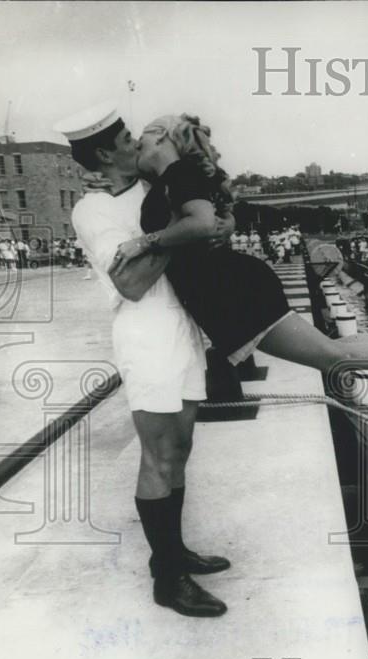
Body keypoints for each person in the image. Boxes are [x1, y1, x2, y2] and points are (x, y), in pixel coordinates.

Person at [110, 113, 368, 385]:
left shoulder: (179, 176)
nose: (137, 144)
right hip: (230, 287)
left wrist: (145, 241)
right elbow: (210, 216)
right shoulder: (177, 177)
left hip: (229, 293)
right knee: (334, 350)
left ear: (160, 137)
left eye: (141, 137)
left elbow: (201, 223)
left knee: (332, 356)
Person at [56, 102, 231, 618]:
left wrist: (213, 225)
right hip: (146, 332)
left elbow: (208, 219)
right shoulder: (94, 211)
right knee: (158, 455)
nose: (138, 144)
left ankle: (176, 551)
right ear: (106, 151)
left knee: (181, 446)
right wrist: (185, 231)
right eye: (128, 138)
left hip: (183, 325)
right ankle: (167, 577)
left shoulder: (154, 189)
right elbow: (130, 282)